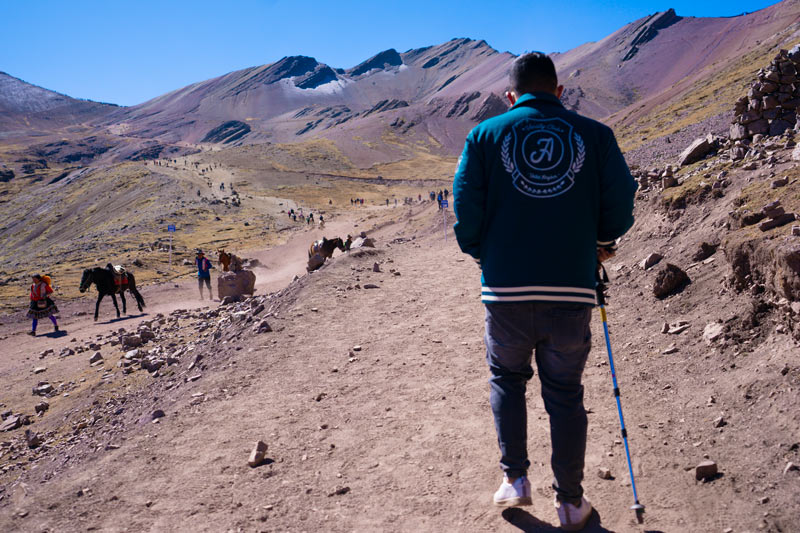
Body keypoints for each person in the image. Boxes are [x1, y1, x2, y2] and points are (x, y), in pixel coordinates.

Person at [452, 52, 636, 530]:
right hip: (571, 292)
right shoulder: (595, 135)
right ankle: (572, 502)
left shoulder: (483, 135)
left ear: (510, 96)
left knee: (507, 380)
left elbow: (466, 207)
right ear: (558, 91)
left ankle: (515, 479)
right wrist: (600, 243)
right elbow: (619, 205)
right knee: (565, 394)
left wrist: (483, 254)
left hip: (505, 293)